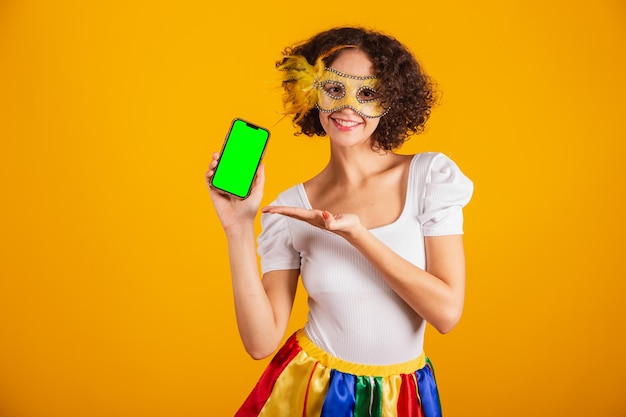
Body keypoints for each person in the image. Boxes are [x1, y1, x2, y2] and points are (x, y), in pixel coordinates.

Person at [206, 26, 473, 417]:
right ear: (311, 93)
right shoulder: (291, 208)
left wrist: (358, 235)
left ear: (393, 99)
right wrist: (237, 227)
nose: (349, 107)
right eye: (334, 89)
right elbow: (260, 342)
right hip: (312, 390)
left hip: (403, 393)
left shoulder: (430, 178)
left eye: (367, 93)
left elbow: (447, 314)